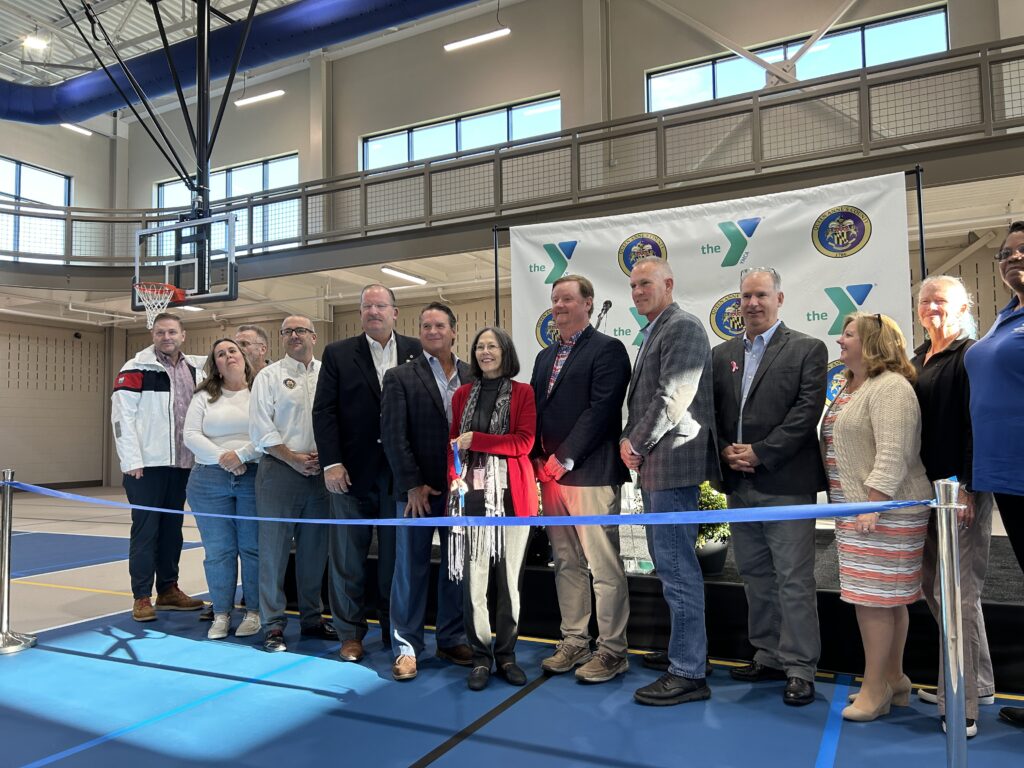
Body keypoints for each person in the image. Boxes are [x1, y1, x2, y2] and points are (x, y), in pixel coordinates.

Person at [711, 267, 827, 707]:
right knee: (756, 576)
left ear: (779, 298)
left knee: (794, 579)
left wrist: (761, 451)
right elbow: (713, 412)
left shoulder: (807, 348)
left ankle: (800, 667)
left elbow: (805, 412)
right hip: (739, 485)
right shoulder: (721, 355)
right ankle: (769, 654)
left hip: (785, 483)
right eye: (746, 296)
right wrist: (725, 450)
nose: (753, 303)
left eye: (761, 295)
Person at [821, 312, 931, 722]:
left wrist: (873, 501)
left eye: (848, 335)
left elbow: (893, 449)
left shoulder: (891, 388)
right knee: (885, 601)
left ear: (872, 342)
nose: (840, 341)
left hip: (883, 511)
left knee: (872, 602)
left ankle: (876, 689)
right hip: (860, 509)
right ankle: (895, 678)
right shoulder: (853, 386)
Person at [619, 257, 720, 706]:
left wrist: (635, 444)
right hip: (659, 464)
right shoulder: (657, 329)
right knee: (670, 566)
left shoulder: (682, 326)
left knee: (677, 568)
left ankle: (688, 672)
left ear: (669, 284)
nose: (639, 291)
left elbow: (672, 397)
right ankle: (686, 653)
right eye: (634, 284)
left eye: (647, 283)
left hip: (671, 462)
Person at [530, 275, 632, 683]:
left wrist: (564, 458)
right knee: (566, 562)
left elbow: (601, 410)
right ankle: (574, 640)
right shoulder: (544, 356)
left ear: (588, 303)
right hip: (549, 477)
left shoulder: (608, 350)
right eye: (555, 299)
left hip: (589, 473)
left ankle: (612, 650)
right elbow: (537, 413)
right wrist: (539, 459)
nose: (559, 305)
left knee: (603, 566)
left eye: (568, 299)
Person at [313, 285, 421, 662]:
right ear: (360, 313)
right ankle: (350, 634)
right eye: (366, 306)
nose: (373, 311)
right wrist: (331, 462)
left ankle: (396, 630)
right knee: (347, 559)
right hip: (350, 473)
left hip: (400, 475)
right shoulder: (338, 354)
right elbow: (324, 412)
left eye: (380, 306)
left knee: (397, 561)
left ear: (395, 311)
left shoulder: (416, 351)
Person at [911, 275, 994, 737]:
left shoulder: (972, 356)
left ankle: (960, 703)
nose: (931, 308)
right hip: (922, 494)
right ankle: (976, 683)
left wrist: (966, 485)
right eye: (925, 302)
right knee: (940, 593)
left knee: (958, 595)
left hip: (958, 493)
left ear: (965, 306)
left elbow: (976, 424)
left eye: (940, 300)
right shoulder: (916, 359)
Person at [381, 303, 473, 681]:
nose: (432, 331)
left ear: (454, 331)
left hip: (460, 492)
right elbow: (393, 435)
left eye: (439, 325)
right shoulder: (399, 376)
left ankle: (451, 638)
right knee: (409, 570)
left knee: (456, 569)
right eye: (425, 326)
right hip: (417, 493)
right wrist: (412, 485)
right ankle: (406, 647)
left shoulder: (472, 374)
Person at [448, 326, 537, 691]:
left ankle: (506, 655)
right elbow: (453, 445)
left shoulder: (523, 393)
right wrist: (453, 474)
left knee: (509, 583)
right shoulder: (461, 395)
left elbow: (525, 442)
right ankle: (481, 657)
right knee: (475, 583)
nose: (486, 352)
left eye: (493, 346)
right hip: (470, 498)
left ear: (505, 352)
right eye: (480, 346)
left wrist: (478, 440)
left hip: (513, 498)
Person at [964, 221, 1024, 729]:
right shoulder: (1005, 318)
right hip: (1004, 477)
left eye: (1023, 250)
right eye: (1005, 252)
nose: (1012, 258)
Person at [111, 312, 205, 622]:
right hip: (146, 467)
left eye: (172, 332)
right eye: (160, 332)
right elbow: (121, 419)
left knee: (172, 531)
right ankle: (141, 596)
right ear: (153, 335)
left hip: (182, 465)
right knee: (146, 530)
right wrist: (131, 460)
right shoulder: (135, 368)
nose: (166, 337)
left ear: (183, 335)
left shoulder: (194, 369)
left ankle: (168, 590)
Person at [249, 315, 333, 653]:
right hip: (279, 472)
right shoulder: (268, 377)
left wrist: (325, 459)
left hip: (322, 474)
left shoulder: (329, 373)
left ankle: (312, 618)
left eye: (300, 331)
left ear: (314, 336)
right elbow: (260, 429)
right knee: (273, 553)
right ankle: (273, 625)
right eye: (287, 332)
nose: (293, 336)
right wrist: (292, 458)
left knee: (314, 553)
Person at [183, 339, 261, 640]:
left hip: (253, 476)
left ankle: (254, 612)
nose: (228, 356)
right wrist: (224, 459)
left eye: (232, 351)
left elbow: (272, 431)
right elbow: (190, 434)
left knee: (253, 550)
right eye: (220, 353)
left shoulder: (261, 390)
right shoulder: (204, 395)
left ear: (243, 357)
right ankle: (221, 613)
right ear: (214, 364)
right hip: (209, 480)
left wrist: (242, 456)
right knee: (218, 552)